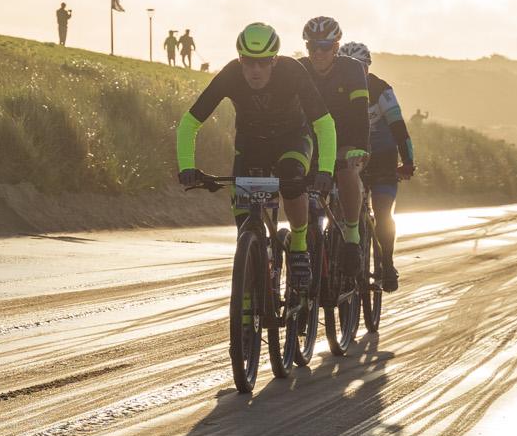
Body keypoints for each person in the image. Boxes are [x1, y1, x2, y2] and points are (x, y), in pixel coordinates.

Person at [176, 23, 338, 292]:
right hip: (251, 144)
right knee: (245, 227)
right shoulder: (230, 75)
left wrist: (326, 171)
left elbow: (324, 124)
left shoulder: (292, 72)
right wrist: (187, 166)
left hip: (293, 140)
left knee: (291, 177)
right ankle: (255, 262)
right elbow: (189, 123)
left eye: (263, 63)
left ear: (275, 60)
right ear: (240, 58)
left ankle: (298, 247)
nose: (255, 70)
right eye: (248, 62)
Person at [297, 16, 371, 273]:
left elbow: (361, 112)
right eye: (312, 46)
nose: (318, 53)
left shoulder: (351, 69)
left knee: (347, 170)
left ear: (336, 47)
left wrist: (359, 147)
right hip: (312, 138)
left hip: (346, 136)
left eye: (324, 47)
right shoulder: (299, 68)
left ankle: (352, 237)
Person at [340, 42, 416, 291]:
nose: (354, 73)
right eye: (347, 67)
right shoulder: (336, 89)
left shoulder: (382, 90)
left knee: (383, 213)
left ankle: (386, 261)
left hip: (382, 156)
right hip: (351, 154)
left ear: (368, 68)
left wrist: (407, 162)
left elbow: (399, 129)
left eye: (359, 68)